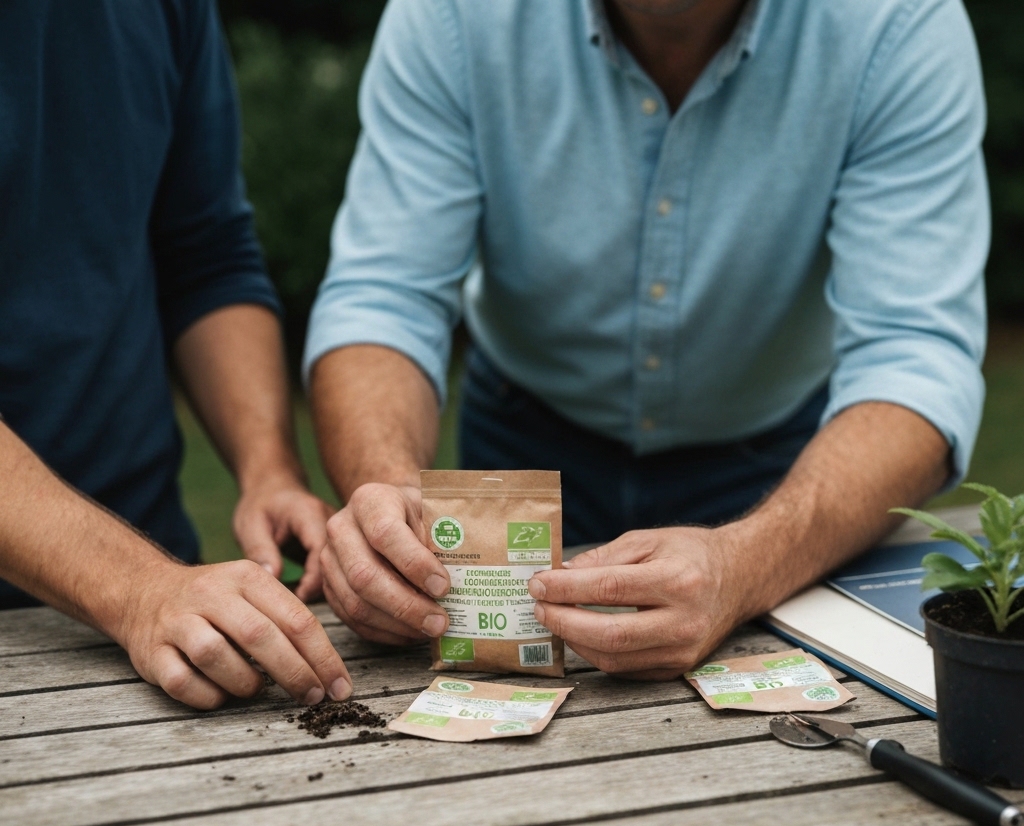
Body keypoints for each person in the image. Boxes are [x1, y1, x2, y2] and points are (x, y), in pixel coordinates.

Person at [305, 0, 988, 679]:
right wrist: (388, 492)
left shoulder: (898, 21)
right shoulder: (453, 14)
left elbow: (914, 353)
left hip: (782, 470)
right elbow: (383, 296)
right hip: (521, 441)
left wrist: (749, 564)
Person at [0, 1, 351, 709]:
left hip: (156, 611)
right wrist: (135, 588)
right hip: (133, 597)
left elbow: (206, 256)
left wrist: (268, 470)